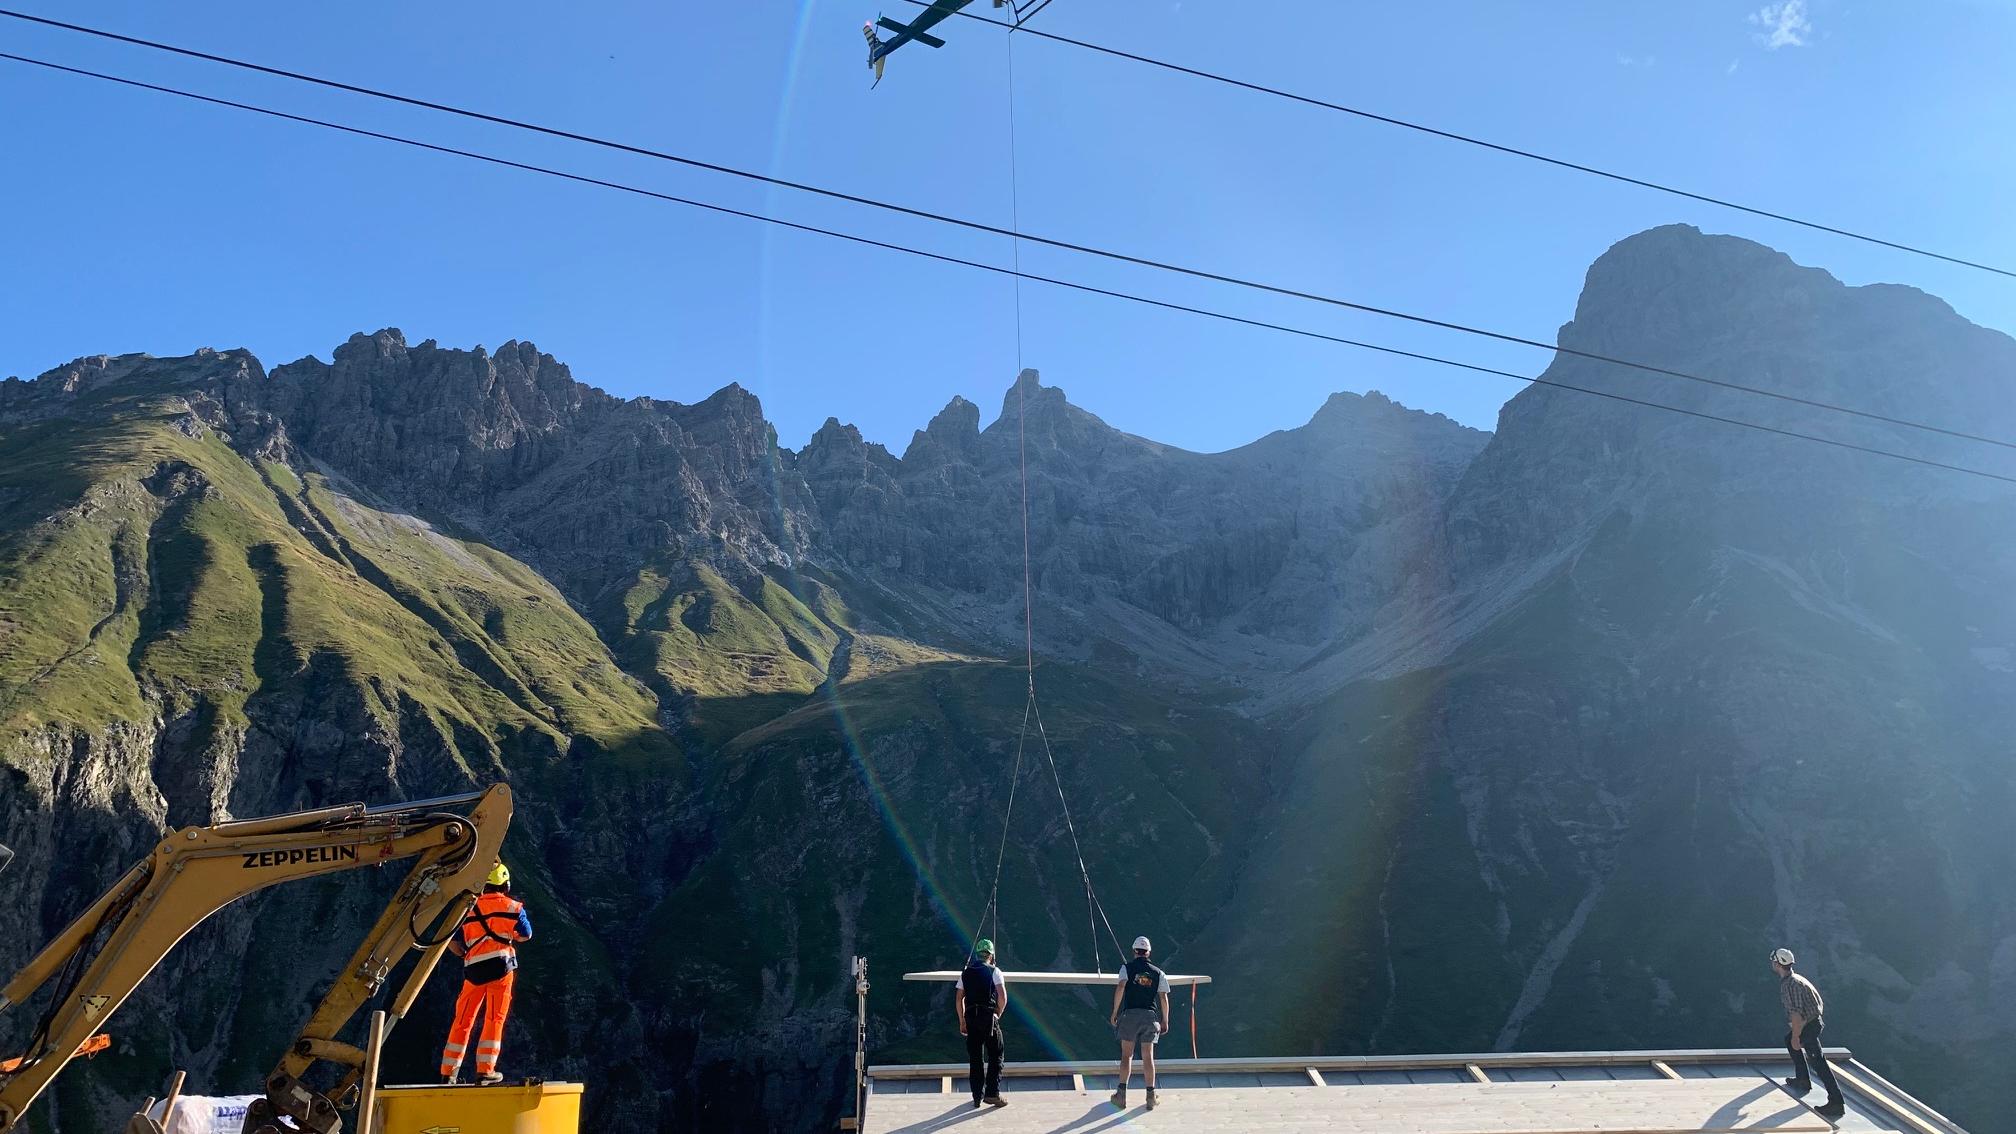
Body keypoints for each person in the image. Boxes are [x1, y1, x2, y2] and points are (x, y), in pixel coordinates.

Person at [440, 861, 533, 1085]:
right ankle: (485, 1071)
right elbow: (525, 935)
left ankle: (448, 1072)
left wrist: (467, 953)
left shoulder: (468, 908)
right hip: (502, 970)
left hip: (473, 970)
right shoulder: (514, 907)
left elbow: (452, 941)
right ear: (505, 884)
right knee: (494, 1019)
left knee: (463, 1019)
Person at [1771, 947, 1843, 1120]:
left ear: (1777, 964)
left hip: (1808, 1025)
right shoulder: (1798, 979)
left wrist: (1797, 1036)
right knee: (1790, 1041)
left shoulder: (1789, 985)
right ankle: (1802, 1079)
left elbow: (1796, 1013)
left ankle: (1836, 1103)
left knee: (1818, 1062)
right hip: (1813, 1022)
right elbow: (1817, 1003)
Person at [1109, 935, 1170, 1110]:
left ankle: (1121, 1096)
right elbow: (1163, 997)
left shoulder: (1126, 968)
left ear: (1135, 951)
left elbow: (1121, 986)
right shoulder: (1158, 973)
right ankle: (1151, 1097)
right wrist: (1165, 1020)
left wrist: (1115, 1012)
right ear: (1148, 952)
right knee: (1148, 1057)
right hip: (1150, 1017)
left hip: (1129, 1016)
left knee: (1126, 1056)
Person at [956, 938, 1009, 1109]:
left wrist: (962, 1020)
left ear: (977, 954)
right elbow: (1002, 996)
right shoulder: (995, 971)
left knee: (975, 1058)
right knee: (996, 1053)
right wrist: (998, 1013)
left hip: (971, 1017)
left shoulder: (966, 972)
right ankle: (992, 1093)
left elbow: (959, 998)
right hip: (988, 1017)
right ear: (991, 955)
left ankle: (977, 1097)